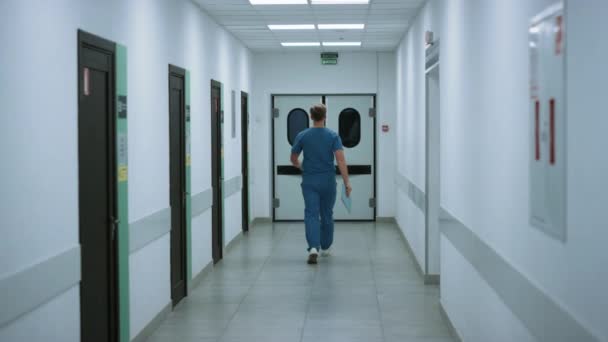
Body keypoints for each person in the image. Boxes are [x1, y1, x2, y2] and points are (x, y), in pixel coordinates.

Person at [290, 104, 352, 265]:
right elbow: (340, 160)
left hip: (309, 181)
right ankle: (325, 246)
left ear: (311, 117)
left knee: (311, 214)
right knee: (327, 214)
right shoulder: (333, 136)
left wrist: (301, 166)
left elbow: (293, 158)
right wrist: (347, 182)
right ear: (325, 117)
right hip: (328, 182)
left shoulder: (302, 135)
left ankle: (313, 248)